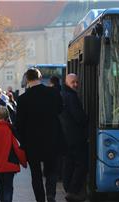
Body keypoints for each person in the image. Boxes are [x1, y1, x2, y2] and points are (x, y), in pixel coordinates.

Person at [15, 68, 62, 202]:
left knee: (35, 174)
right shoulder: (53, 92)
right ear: (40, 77)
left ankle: (40, 199)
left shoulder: (23, 99)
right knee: (51, 170)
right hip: (51, 139)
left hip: (32, 143)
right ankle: (51, 194)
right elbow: (60, 110)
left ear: (27, 80)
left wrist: (23, 141)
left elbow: (19, 124)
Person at [0, 106, 27, 202]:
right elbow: (18, 147)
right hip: (9, 163)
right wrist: (24, 162)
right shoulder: (11, 129)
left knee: (0, 187)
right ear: (7, 116)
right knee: (8, 187)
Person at [59, 73, 89, 202]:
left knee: (69, 163)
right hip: (75, 136)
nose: (76, 85)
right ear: (67, 83)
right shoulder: (71, 96)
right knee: (82, 163)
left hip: (66, 136)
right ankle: (73, 190)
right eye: (73, 82)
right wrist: (86, 119)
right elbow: (79, 117)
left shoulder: (62, 95)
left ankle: (68, 188)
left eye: (77, 82)